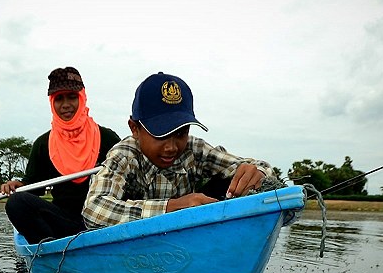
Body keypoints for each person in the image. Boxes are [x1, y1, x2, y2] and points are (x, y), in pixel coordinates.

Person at [82, 71, 284, 229]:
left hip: (188, 240)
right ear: (135, 128)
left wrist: (256, 172)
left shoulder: (194, 149)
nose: (171, 147)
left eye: (180, 133)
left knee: (239, 182)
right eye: (160, 134)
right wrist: (174, 207)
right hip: (133, 245)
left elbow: (256, 166)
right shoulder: (124, 155)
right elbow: (94, 210)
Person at [0, 67, 120, 243]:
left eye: (72, 97)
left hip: (103, 222)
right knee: (17, 203)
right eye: (59, 99)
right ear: (51, 102)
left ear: (82, 97)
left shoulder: (107, 138)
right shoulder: (43, 143)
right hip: (64, 224)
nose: (65, 105)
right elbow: (33, 187)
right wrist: (19, 185)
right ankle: (51, 252)